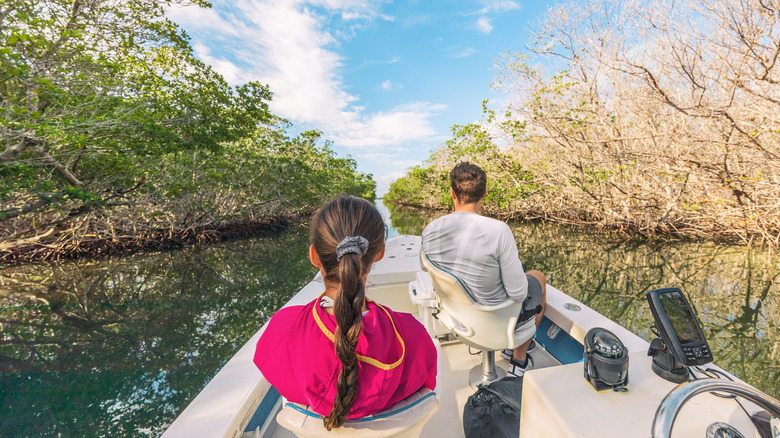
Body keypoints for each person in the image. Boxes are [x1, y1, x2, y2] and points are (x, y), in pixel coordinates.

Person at [254, 195, 437, 430]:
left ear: (314, 257)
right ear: (379, 253)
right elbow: (426, 387)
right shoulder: (412, 335)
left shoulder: (284, 329)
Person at [421, 162, 546, 377]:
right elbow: (518, 293)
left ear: (452, 193)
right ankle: (518, 359)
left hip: (457, 320)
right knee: (538, 278)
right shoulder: (498, 230)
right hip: (496, 322)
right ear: (485, 193)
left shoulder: (430, 230)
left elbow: (425, 272)